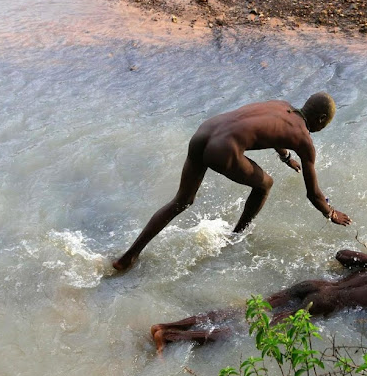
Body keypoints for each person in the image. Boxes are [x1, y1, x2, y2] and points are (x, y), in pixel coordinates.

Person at [113, 93, 352, 271]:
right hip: (223, 148)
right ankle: (236, 238)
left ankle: (128, 257)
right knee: (265, 184)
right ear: (321, 119)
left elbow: (269, 129)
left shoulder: (281, 105)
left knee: (181, 201)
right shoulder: (305, 140)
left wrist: (285, 156)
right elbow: (313, 194)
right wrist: (331, 213)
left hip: (205, 132)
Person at [150, 249, 367, 353]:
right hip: (323, 305)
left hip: (313, 286)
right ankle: (172, 337)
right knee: (249, 329)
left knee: (243, 311)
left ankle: (166, 325)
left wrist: (360, 267)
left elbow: (342, 254)